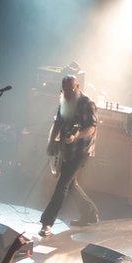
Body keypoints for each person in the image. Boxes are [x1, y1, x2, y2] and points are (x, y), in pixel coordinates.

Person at [39, 75, 100, 237]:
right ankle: (90, 213)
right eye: (64, 90)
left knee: (62, 185)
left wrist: (76, 135)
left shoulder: (87, 104)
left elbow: (91, 128)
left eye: (70, 90)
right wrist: (51, 141)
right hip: (66, 149)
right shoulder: (63, 101)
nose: (66, 93)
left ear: (77, 87)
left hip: (81, 151)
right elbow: (57, 122)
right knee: (70, 185)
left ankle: (47, 222)